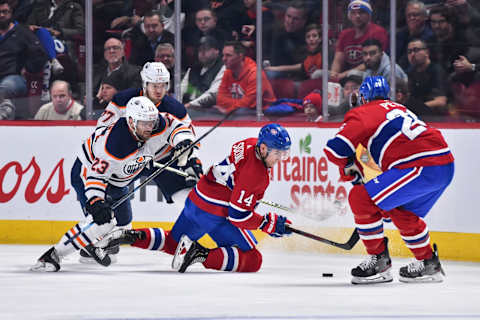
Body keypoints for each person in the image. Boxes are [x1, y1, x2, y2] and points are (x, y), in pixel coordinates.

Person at [98, 123, 293, 273]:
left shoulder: (249, 143)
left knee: (173, 244)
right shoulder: (257, 176)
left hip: (197, 199)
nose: (280, 159)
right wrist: (267, 223)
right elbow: (238, 217)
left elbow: (236, 179)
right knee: (253, 259)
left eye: (284, 153)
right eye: (277, 153)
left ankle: (129, 236)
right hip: (215, 213)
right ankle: (199, 253)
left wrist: (242, 194)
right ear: (264, 149)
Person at [30, 96, 194, 272]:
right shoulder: (114, 145)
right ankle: (53, 255)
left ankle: (94, 244)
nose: (150, 127)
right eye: (145, 123)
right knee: (103, 220)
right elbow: (96, 176)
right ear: (131, 122)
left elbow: (176, 126)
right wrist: (95, 200)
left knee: (124, 223)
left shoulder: (156, 124)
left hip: (117, 179)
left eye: (152, 122)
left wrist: (182, 141)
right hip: (87, 172)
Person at [323, 76, 454, 284]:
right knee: (399, 210)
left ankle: (378, 262)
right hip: (444, 165)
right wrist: (352, 164)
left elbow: (334, 150)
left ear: (364, 97)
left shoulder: (363, 112)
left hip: (420, 165)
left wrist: (348, 164)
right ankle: (428, 263)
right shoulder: (399, 108)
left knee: (360, 197)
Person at [97, 61, 203, 204]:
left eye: (163, 85)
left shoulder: (176, 109)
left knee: (187, 196)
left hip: (162, 158)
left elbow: (189, 137)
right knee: (110, 193)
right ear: (144, 84)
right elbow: (102, 128)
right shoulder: (123, 100)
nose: (159, 90)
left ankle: (191, 221)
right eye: (154, 86)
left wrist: (192, 158)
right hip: (129, 157)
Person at [0, 0, 48, 119]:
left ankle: (5, 115)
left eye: (4, 12)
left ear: (11, 13)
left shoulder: (22, 32)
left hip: (14, 78)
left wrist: (28, 68)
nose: (1, 15)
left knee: (5, 87)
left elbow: (40, 54)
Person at [330, 0, 388, 82]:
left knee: (353, 73)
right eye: (353, 13)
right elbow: (338, 61)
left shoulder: (378, 32)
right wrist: (333, 75)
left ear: (369, 15)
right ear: (349, 16)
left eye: (361, 12)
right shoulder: (345, 34)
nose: (357, 16)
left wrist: (342, 75)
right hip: (345, 77)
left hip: (369, 74)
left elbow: (372, 62)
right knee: (318, 74)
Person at [215, 41, 276, 115]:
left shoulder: (255, 74)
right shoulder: (228, 72)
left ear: (240, 56)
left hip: (264, 115)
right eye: (223, 55)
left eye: (228, 55)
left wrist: (228, 110)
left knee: (241, 111)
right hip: (242, 111)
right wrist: (236, 104)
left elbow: (248, 104)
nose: (224, 59)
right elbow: (220, 100)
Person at [266, 1, 308, 79]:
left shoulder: (309, 36)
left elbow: (304, 66)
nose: (290, 22)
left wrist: (276, 69)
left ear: (303, 21)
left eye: (295, 19)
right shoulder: (274, 30)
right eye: (288, 16)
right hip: (274, 70)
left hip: (296, 75)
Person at [406, 38, 448, 116]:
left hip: (438, 118)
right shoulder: (410, 72)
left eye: (416, 50)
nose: (412, 54)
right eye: (409, 52)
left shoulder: (436, 71)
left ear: (427, 52)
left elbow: (441, 101)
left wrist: (417, 108)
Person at [181, 35, 226, 109]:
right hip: (189, 110)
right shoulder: (193, 69)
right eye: (200, 50)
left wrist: (190, 105)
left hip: (209, 113)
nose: (202, 53)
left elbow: (213, 94)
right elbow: (181, 90)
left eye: (206, 49)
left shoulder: (223, 68)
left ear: (217, 51)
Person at [396, 1, 435, 70]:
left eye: (415, 15)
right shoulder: (399, 35)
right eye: (409, 15)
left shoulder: (431, 37)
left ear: (425, 17)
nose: (412, 18)